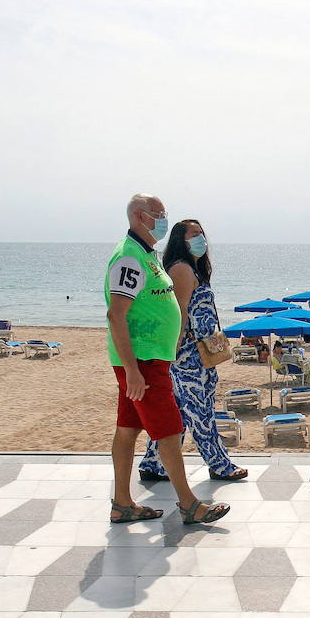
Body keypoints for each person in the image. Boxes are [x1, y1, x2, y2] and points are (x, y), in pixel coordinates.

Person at [106, 194, 228, 526]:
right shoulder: (129, 259)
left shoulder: (147, 256)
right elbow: (116, 315)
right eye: (157, 214)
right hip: (142, 361)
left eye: (164, 213)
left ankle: (122, 503)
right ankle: (189, 504)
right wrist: (132, 370)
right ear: (137, 216)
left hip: (150, 359)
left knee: (128, 429)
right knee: (170, 432)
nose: (162, 219)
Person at [138, 220, 247, 483]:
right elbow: (179, 313)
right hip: (188, 355)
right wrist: (173, 350)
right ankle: (220, 465)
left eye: (201, 234)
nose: (201, 239)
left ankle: (153, 464)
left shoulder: (193, 269)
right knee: (201, 410)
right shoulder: (182, 270)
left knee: (179, 412)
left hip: (199, 353)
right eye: (194, 235)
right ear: (181, 241)